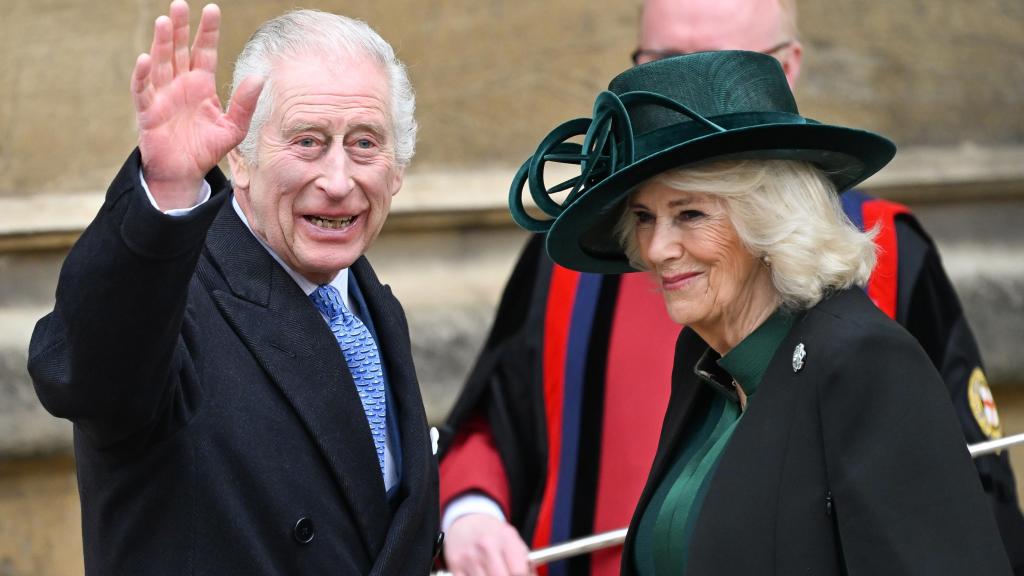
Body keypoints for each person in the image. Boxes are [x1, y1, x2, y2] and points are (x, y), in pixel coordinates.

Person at [437, 0, 1024, 575]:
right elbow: (494, 416)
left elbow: (955, 507)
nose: (659, 249)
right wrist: (470, 512)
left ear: (786, 67)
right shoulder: (687, 347)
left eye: (692, 213)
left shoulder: (883, 277)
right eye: (663, 58)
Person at [27, 2, 439, 573]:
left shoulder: (373, 308)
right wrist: (166, 195)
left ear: (397, 169)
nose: (340, 181)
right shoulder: (177, 299)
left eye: (365, 143)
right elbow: (86, 373)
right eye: (307, 141)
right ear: (239, 158)